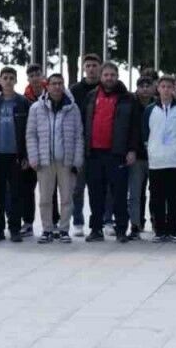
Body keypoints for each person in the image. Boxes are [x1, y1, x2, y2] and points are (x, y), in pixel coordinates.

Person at [82, 62, 140, 243]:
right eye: (106, 75)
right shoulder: (91, 96)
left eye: (112, 75)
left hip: (117, 153)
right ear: (101, 77)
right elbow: (84, 123)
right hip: (94, 153)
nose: (109, 78)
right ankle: (96, 229)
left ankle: (121, 230)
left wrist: (132, 150)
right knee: (95, 194)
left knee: (119, 194)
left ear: (117, 77)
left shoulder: (128, 98)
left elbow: (135, 127)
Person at [27, 73, 85, 244]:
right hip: (44, 161)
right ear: (48, 86)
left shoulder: (73, 108)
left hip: (66, 161)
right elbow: (31, 135)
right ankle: (47, 229)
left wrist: (77, 160)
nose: (57, 86)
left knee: (67, 197)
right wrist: (34, 157)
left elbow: (79, 136)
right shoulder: (37, 108)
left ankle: (64, 230)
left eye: (60, 83)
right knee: (45, 198)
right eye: (54, 83)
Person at [0, 67, 30, 242]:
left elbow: (28, 131)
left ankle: (15, 229)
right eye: (5, 78)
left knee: (16, 194)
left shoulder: (23, 102)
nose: (8, 81)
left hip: (15, 155)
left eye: (11, 78)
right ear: (0, 81)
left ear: (15, 81)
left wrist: (26, 156)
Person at [145, 75, 176, 242]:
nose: (166, 90)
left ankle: (173, 231)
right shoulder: (150, 110)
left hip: (175, 160)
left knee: (174, 197)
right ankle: (159, 231)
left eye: (169, 87)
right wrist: (151, 150)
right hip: (156, 161)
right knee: (157, 198)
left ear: (174, 89)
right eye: (163, 86)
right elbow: (145, 132)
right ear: (158, 89)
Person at [69, 53, 102, 234]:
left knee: (100, 187)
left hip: (100, 144)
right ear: (83, 68)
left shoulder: (105, 88)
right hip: (79, 143)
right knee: (77, 187)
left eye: (94, 65)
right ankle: (77, 221)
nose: (91, 69)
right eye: (88, 65)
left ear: (100, 67)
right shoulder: (74, 90)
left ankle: (104, 221)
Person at [20, 64, 47, 236]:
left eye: (38, 74)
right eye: (32, 76)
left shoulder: (53, 95)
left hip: (48, 151)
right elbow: (22, 130)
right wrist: (24, 155)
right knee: (27, 190)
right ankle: (28, 222)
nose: (35, 78)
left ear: (42, 76)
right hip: (30, 151)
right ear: (28, 79)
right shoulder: (23, 100)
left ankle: (52, 223)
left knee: (49, 191)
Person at [127, 76, 155, 239]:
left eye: (148, 85)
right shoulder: (130, 104)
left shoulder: (158, 105)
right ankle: (135, 225)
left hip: (155, 155)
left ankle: (157, 222)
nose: (145, 89)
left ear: (153, 88)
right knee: (135, 193)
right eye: (141, 86)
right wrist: (130, 150)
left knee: (156, 192)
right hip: (136, 155)